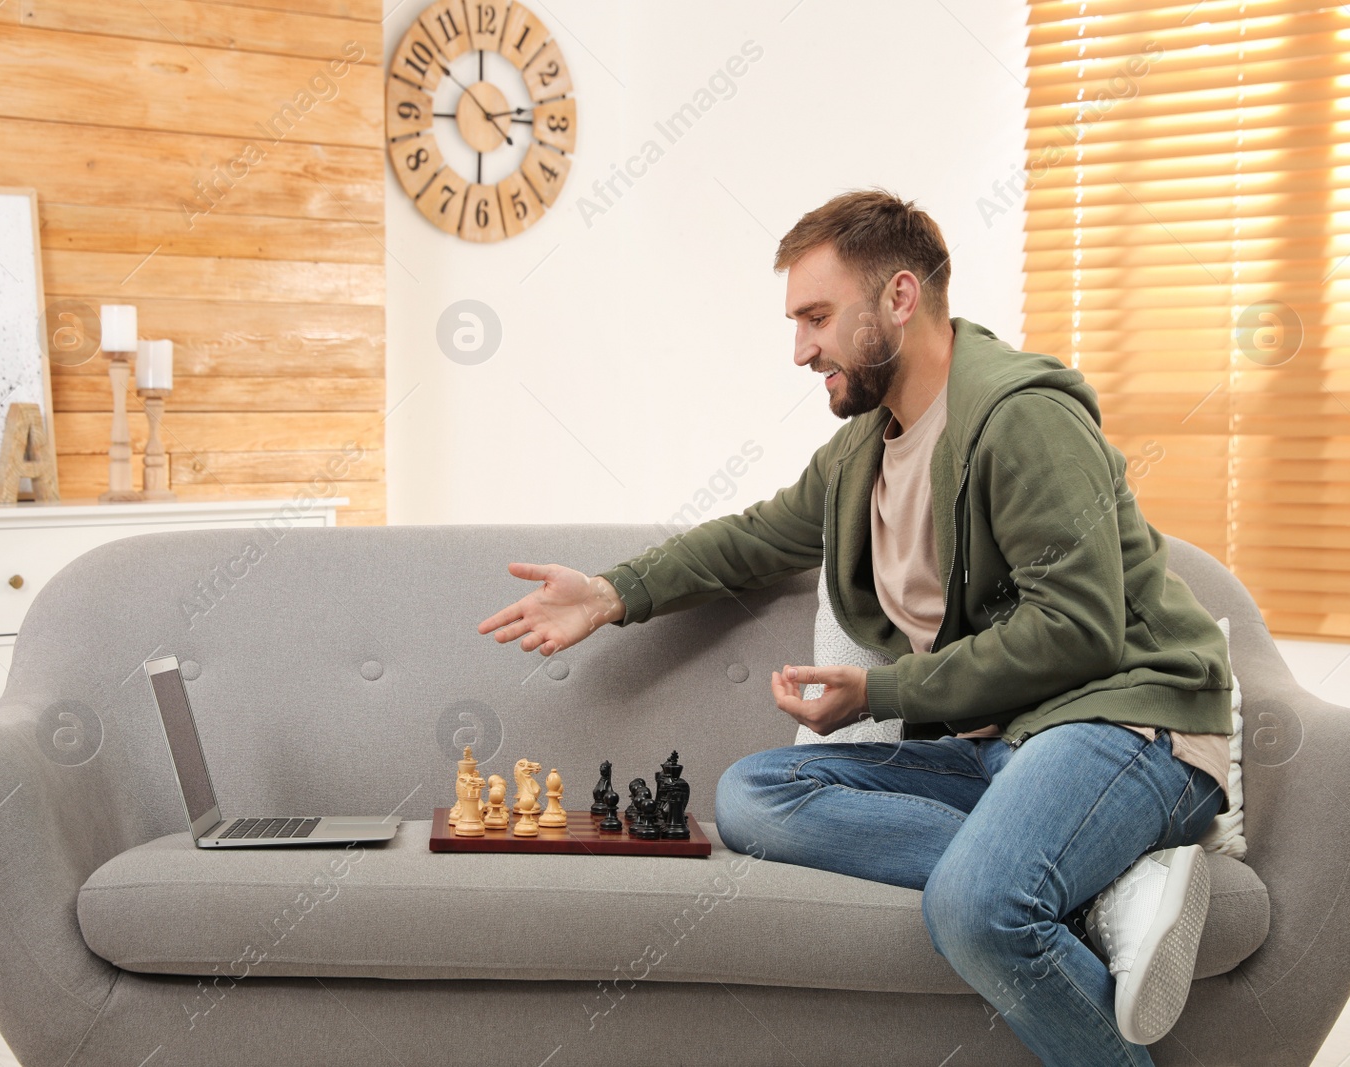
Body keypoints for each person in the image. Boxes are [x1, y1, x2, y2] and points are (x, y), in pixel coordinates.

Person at [475, 189, 1232, 1066]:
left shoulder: (1024, 418)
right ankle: (1094, 885)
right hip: (1000, 747)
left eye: (818, 317)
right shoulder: (865, 446)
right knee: (754, 796)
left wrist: (882, 690)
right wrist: (610, 593)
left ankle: (1042, 874)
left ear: (900, 300)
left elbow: (1077, 632)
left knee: (975, 907)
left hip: (1126, 726)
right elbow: (756, 537)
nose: (801, 349)